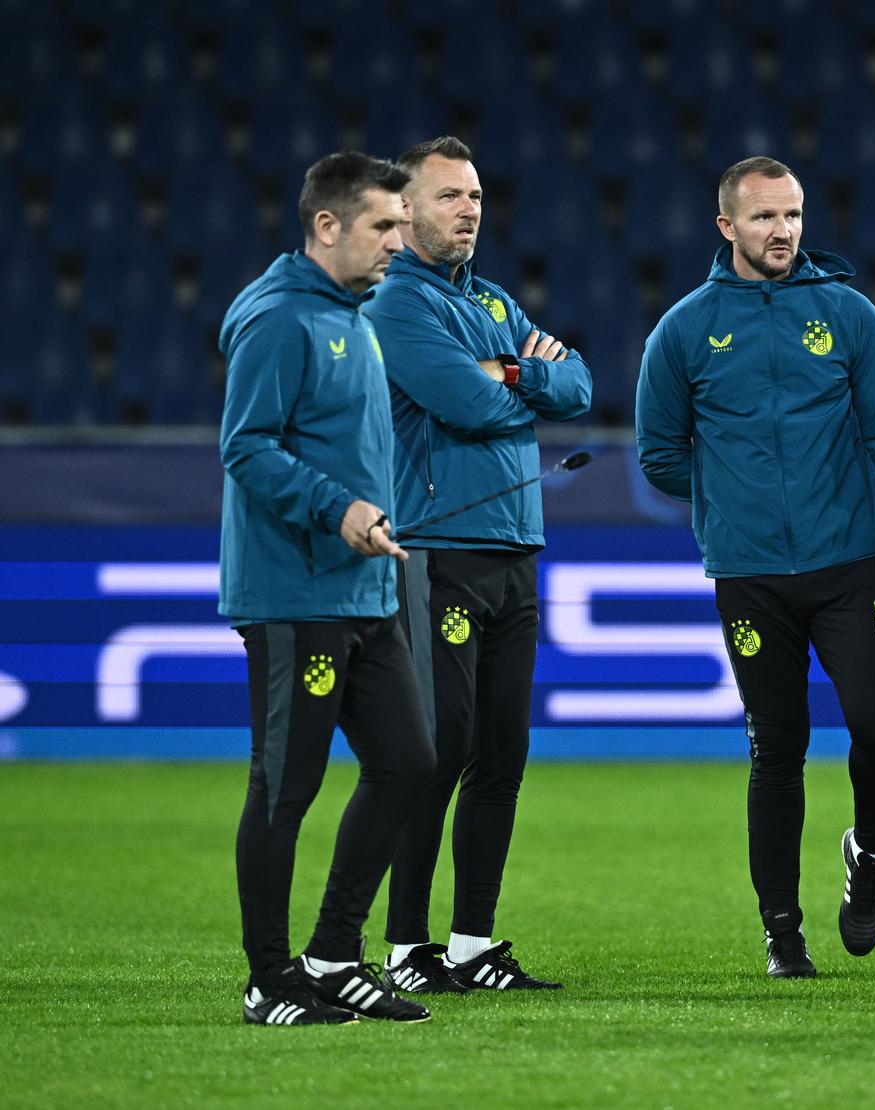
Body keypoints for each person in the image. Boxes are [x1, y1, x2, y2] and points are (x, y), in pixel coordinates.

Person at [635, 156, 875, 978]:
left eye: (791, 215)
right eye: (763, 218)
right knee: (777, 745)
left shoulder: (852, 317)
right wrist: (735, 502)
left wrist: (823, 499)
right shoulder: (683, 330)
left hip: (847, 563)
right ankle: (782, 933)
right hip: (749, 574)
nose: (782, 231)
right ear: (727, 227)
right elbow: (659, 453)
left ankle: (871, 853)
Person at [366, 136, 592, 994]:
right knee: (438, 747)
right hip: (438, 547)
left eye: (476, 195)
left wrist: (507, 374)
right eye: (450, 196)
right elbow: (465, 401)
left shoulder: (493, 300)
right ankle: (405, 948)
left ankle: (471, 944)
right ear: (407, 210)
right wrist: (517, 376)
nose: (468, 210)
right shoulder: (396, 304)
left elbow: (579, 385)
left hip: (513, 547)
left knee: (502, 752)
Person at [220, 151, 434, 1025]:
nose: (400, 238)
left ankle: (334, 954)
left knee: (409, 764)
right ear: (327, 226)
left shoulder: (357, 315)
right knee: (286, 786)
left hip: (361, 591)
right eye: (385, 225)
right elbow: (247, 445)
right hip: (294, 594)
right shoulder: (279, 319)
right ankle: (268, 981)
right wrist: (337, 505)